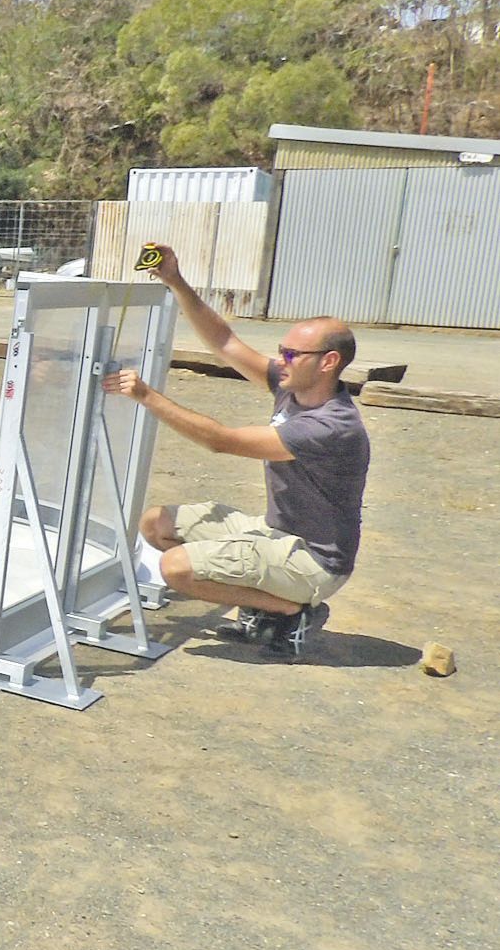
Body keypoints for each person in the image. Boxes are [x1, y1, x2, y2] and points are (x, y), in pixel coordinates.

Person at [100, 244, 370, 656]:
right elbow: (225, 342)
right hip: (276, 533)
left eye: (292, 354)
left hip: (312, 562)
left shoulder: (330, 427)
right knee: (156, 523)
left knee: (176, 569)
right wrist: (175, 280)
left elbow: (220, 441)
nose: (282, 360)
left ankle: (293, 609)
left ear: (329, 361)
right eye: (282, 350)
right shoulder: (293, 386)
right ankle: (263, 597)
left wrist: (145, 395)